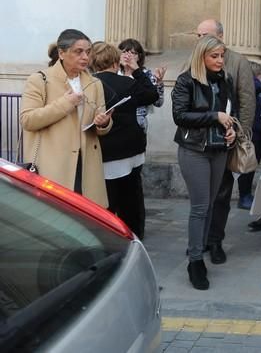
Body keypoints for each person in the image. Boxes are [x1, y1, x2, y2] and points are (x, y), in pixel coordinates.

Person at [172, 35, 237, 290]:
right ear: (202, 56)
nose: (220, 60)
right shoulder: (186, 80)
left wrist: (230, 129)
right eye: (215, 56)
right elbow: (180, 116)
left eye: (222, 56)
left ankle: (199, 248)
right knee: (200, 207)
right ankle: (196, 261)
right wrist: (215, 116)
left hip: (219, 148)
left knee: (210, 204)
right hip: (194, 149)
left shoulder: (224, 81)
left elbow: (228, 113)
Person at [20, 29, 112, 206]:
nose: (85, 57)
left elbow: (100, 123)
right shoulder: (40, 80)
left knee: (86, 217)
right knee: (54, 216)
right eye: (79, 52)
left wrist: (104, 123)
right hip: (53, 165)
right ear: (62, 53)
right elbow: (28, 120)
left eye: (88, 51)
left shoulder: (95, 83)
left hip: (86, 165)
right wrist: (66, 103)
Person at [200, 19, 256, 265]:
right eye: (198, 35)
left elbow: (246, 100)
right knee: (200, 195)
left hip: (225, 139)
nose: (200, 39)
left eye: (205, 34)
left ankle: (215, 240)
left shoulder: (237, 62)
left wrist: (240, 133)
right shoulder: (193, 60)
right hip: (198, 141)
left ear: (220, 36)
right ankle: (198, 239)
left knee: (221, 194)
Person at [92, 42, 158, 239]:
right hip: (131, 149)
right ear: (115, 61)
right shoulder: (128, 83)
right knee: (132, 197)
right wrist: (137, 70)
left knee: (108, 198)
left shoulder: (90, 85)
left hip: (105, 150)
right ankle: (134, 235)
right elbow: (151, 95)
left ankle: (109, 236)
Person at [236, 62, 261, 211]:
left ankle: (247, 194)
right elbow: (258, 86)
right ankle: (244, 196)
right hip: (251, 134)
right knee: (247, 167)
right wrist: (250, 77)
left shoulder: (257, 92)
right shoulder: (251, 87)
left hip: (260, 134)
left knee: (252, 167)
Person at [118, 38, 166, 133]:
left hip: (138, 121)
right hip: (116, 121)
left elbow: (158, 103)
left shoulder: (145, 75)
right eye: (124, 52)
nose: (128, 55)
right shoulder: (114, 73)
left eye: (133, 52)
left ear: (139, 57)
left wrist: (159, 83)